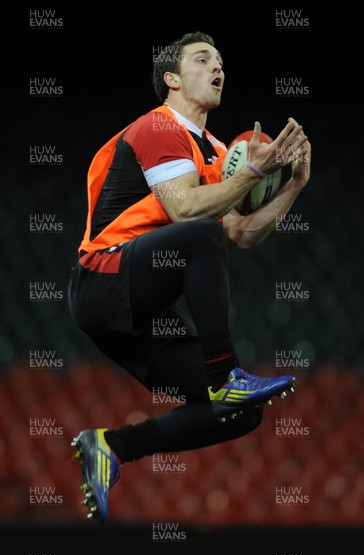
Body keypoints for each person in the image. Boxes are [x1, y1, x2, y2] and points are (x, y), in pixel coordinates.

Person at [68, 31, 311, 523]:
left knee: (242, 413)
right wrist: (248, 177)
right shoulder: (159, 127)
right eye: (202, 59)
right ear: (171, 79)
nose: (217, 67)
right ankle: (228, 375)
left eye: (221, 60)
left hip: (143, 308)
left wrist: (293, 187)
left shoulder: (218, 151)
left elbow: (240, 234)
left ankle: (112, 447)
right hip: (104, 278)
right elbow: (184, 210)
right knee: (200, 235)